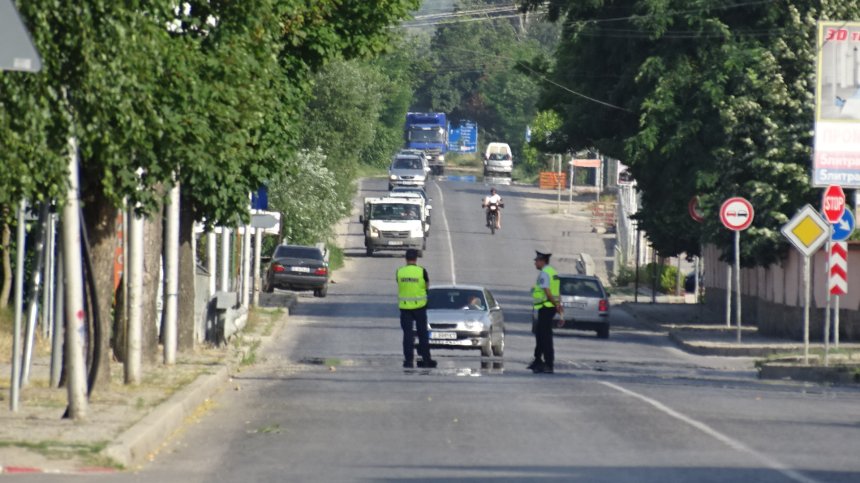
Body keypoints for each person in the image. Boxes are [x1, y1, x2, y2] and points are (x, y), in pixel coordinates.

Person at [396, 249, 436, 368]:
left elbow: (399, 283)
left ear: (406, 259)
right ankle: (426, 359)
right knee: (422, 334)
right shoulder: (421, 271)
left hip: (405, 308)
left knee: (407, 335)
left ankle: (408, 360)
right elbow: (427, 286)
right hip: (420, 307)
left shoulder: (400, 272)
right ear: (416, 259)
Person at [528, 250, 563, 373]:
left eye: (537, 261)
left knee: (545, 337)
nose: (535, 263)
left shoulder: (544, 274)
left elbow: (548, 292)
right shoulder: (553, 272)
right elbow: (557, 292)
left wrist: (555, 304)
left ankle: (548, 364)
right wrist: (558, 305)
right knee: (541, 334)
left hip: (546, 307)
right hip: (550, 308)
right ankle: (538, 360)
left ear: (543, 261)